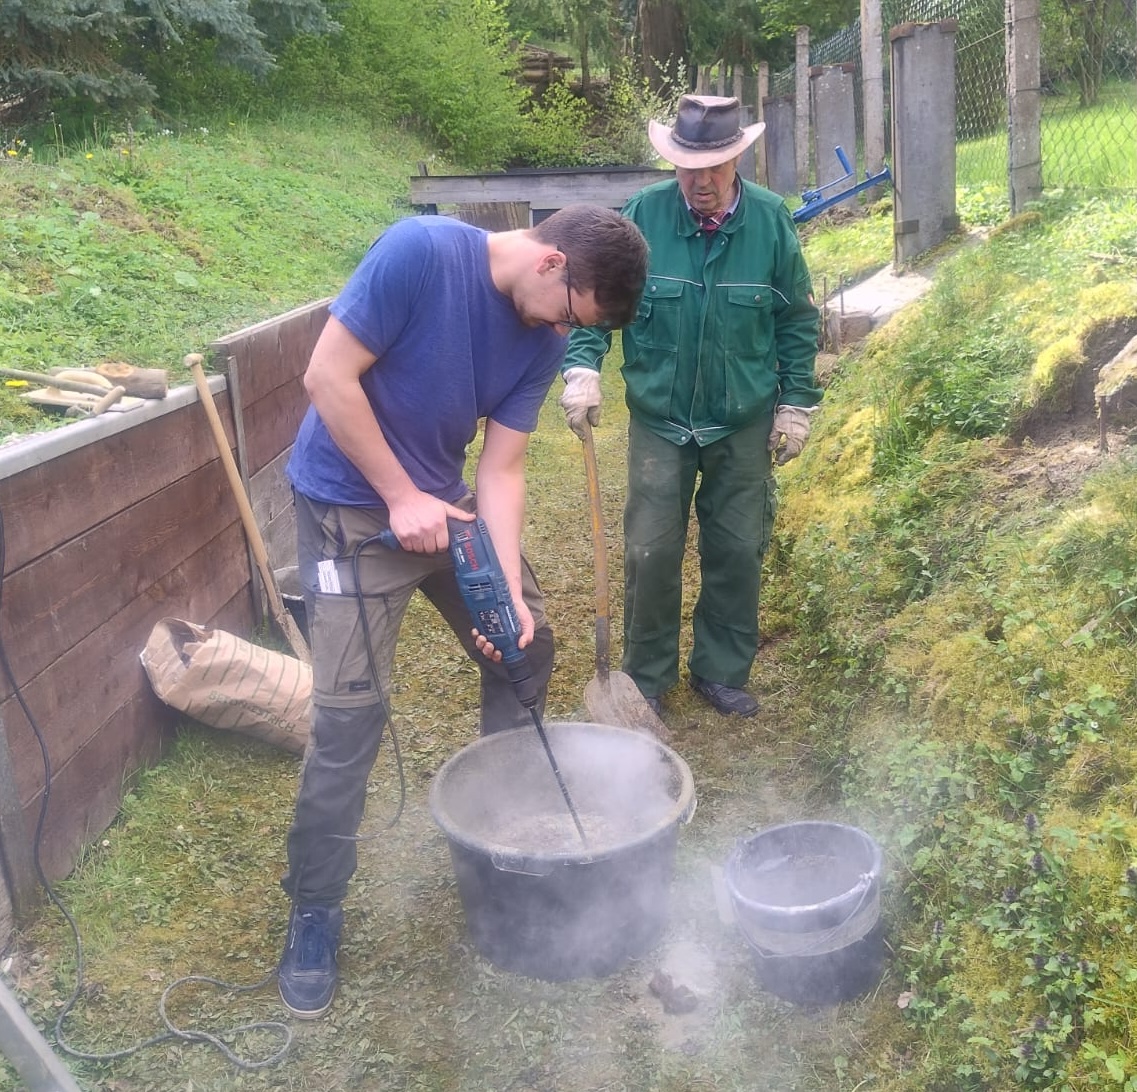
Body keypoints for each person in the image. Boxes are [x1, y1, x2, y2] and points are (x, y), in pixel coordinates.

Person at [278, 204, 649, 1019]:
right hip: (350, 509)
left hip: (440, 508)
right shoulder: (419, 253)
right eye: (568, 313)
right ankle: (314, 908)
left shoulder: (543, 337)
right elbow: (326, 378)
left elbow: (504, 470)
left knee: (525, 642)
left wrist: (507, 588)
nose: (563, 333)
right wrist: (398, 493)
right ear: (552, 264)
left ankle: (500, 817)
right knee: (348, 719)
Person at [559, 95, 821, 720]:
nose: (701, 182)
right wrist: (582, 367)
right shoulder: (642, 217)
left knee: (736, 546)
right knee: (649, 550)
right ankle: (647, 676)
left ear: (737, 159)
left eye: (716, 166)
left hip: (743, 418)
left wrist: (796, 405)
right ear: (671, 162)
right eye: (687, 167)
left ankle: (721, 670)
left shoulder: (769, 221)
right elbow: (598, 298)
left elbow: (795, 320)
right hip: (661, 420)